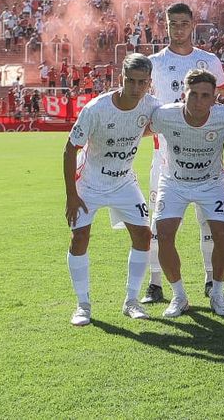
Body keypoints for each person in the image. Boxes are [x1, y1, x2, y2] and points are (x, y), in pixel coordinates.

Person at [141, 3, 224, 305]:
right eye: (173, 23)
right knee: (158, 225)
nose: (178, 29)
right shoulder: (154, 63)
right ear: (166, 26)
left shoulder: (209, 60)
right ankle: (155, 283)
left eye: (183, 23)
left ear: (192, 25)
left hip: (205, 153)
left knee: (209, 223)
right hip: (164, 156)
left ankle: (211, 281)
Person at [63, 54, 161, 326]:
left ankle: (131, 301)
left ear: (149, 83)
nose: (136, 87)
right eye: (131, 81)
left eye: (142, 82)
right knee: (79, 238)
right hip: (89, 183)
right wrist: (71, 195)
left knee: (143, 236)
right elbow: (70, 149)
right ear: (121, 79)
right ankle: (82, 305)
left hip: (123, 182)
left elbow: (175, 118)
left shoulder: (152, 106)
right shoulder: (96, 109)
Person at [149, 70, 224, 318]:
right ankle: (179, 296)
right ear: (183, 94)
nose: (199, 101)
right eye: (193, 95)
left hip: (212, 183)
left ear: (214, 98)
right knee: (163, 234)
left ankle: (217, 293)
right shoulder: (165, 115)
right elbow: (139, 129)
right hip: (174, 182)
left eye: (205, 96)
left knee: (222, 235)